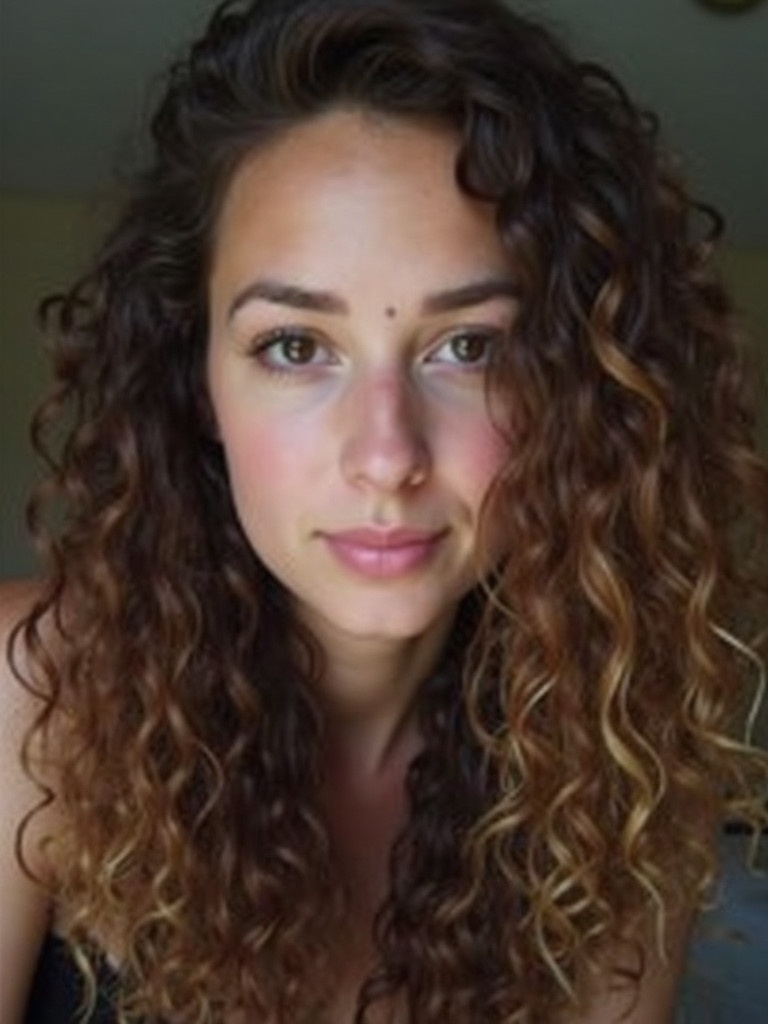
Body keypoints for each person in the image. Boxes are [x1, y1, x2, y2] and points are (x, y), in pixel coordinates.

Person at [1, 0, 766, 1021]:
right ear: (198, 386)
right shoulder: (30, 697)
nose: (386, 456)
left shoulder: (625, 780)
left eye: (470, 346)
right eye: (295, 345)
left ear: (571, 392)